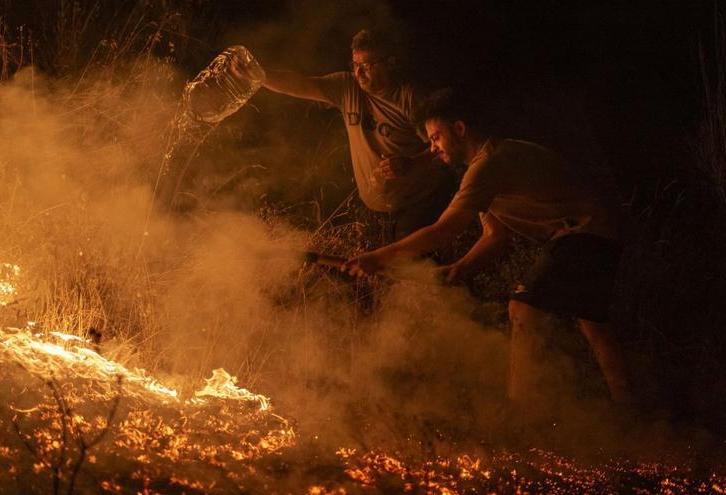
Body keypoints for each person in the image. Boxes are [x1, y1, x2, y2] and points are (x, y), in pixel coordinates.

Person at [344, 87, 634, 406]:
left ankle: (522, 415)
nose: (433, 148)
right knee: (594, 325)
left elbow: (445, 229)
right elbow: (495, 236)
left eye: (436, 138)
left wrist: (378, 257)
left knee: (522, 308)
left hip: (585, 231)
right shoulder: (482, 169)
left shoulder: (489, 163)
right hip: (596, 233)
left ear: (459, 129)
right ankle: (629, 413)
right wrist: (459, 269)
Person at [239, 29, 455, 242]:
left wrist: (412, 163)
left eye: (367, 66)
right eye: (355, 65)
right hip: (379, 207)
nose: (358, 73)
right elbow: (300, 84)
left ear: (389, 63)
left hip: (419, 200)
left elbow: (448, 145)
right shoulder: (347, 87)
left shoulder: (410, 98)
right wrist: (258, 74)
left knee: (410, 263)